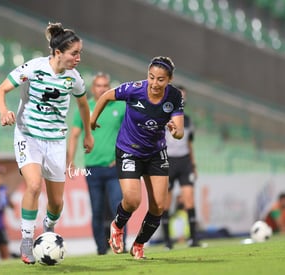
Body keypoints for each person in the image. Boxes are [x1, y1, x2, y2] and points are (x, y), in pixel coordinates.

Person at [0, 22, 94, 264]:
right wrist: (4, 111)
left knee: (57, 203)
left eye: (80, 53)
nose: (78, 58)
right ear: (58, 53)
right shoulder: (34, 68)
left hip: (56, 141)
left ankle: (48, 228)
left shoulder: (74, 79)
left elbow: (83, 104)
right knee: (34, 185)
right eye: (74, 53)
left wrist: (88, 133)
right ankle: (27, 241)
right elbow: (1, 90)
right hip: (28, 135)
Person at [90, 56, 184, 259]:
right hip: (128, 150)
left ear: (169, 80)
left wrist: (174, 129)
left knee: (159, 205)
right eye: (151, 77)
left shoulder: (174, 96)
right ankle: (117, 225)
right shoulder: (134, 89)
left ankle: (139, 244)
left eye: (160, 79)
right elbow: (106, 96)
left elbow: (179, 132)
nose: (155, 83)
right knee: (132, 200)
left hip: (156, 153)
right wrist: (92, 120)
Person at [67, 72, 126, 255]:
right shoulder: (85, 108)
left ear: (110, 88)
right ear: (93, 88)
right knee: (97, 209)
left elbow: (128, 132)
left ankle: (119, 245)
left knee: (120, 207)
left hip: (114, 167)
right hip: (92, 168)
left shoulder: (120, 107)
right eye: (99, 85)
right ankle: (101, 249)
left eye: (105, 85)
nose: (102, 88)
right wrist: (70, 161)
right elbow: (74, 135)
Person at [161, 85, 200, 249]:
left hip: (185, 162)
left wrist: (193, 164)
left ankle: (193, 239)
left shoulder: (188, 120)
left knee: (189, 200)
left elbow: (189, 143)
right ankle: (168, 242)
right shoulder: (163, 117)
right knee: (165, 204)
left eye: (183, 97)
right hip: (169, 161)